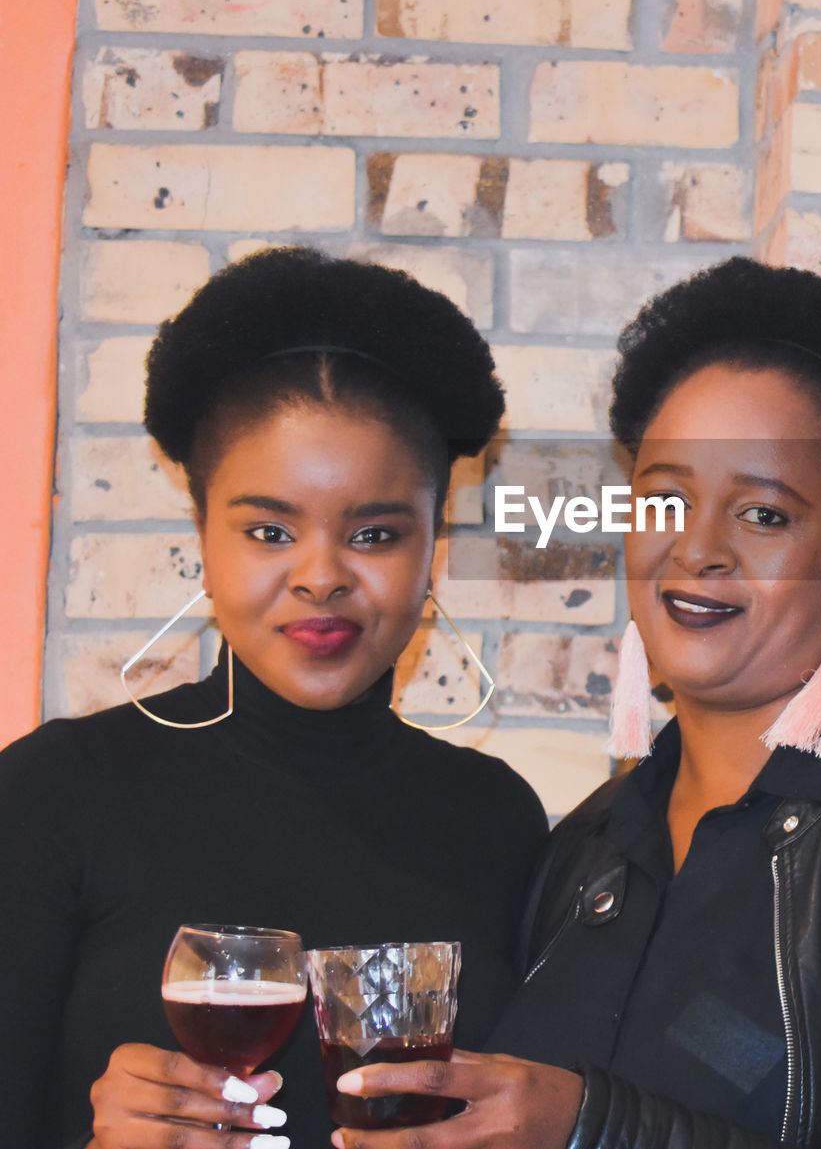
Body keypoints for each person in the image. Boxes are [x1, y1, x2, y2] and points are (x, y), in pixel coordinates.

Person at [330, 257, 821, 1149]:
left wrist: (595, 1128)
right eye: (666, 500)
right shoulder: (582, 851)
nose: (697, 548)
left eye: (764, 515)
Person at [0, 248, 548, 1149]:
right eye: (268, 531)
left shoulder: (499, 821)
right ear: (204, 539)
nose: (322, 577)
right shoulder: (57, 794)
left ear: (433, 549)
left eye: (375, 533)